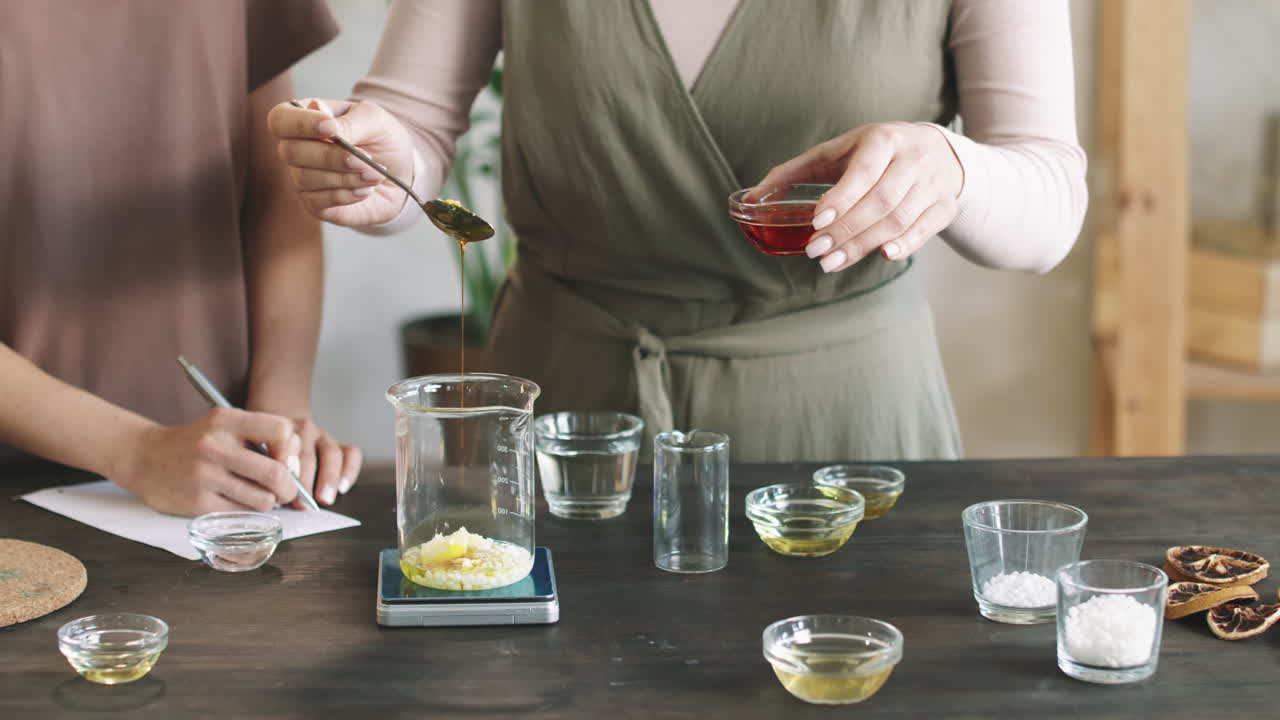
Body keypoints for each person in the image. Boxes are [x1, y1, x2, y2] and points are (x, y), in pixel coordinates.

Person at [269, 0, 1087, 461]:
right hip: (565, 419)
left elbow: (1050, 202)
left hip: (843, 432)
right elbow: (412, 122)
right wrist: (378, 170)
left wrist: (955, 168)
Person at [0, 0, 362, 514]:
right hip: (19, 481)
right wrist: (135, 450)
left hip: (223, 468)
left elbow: (276, 183)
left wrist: (281, 408)